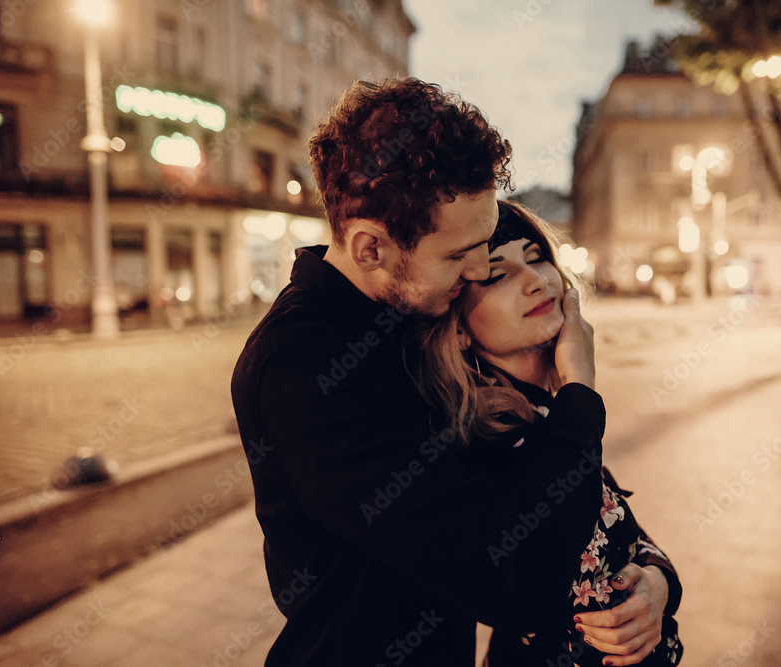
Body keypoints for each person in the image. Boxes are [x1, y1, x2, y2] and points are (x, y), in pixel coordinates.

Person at [232, 78, 625, 666]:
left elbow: (533, 489)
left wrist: (648, 571)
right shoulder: (302, 368)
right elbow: (512, 568)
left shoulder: (409, 315)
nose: (475, 270)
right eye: (457, 254)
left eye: (484, 244)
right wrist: (578, 392)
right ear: (370, 249)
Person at [407, 201, 683, 666]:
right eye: (497, 276)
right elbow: (531, 575)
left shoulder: (545, 414)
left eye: (536, 257)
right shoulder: (483, 441)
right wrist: (579, 385)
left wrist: (657, 585)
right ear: (457, 330)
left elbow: (622, 535)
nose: (536, 279)